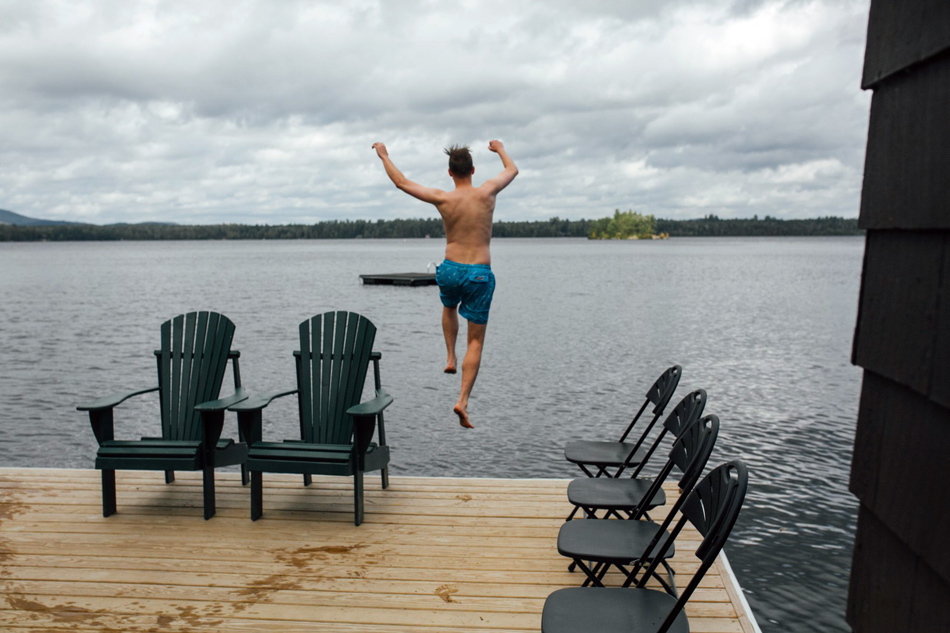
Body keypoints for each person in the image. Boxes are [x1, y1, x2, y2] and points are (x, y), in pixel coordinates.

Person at [372, 140, 518, 429]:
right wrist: (500, 149)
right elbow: (512, 169)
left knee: (448, 306)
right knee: (475, 341)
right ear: (473, 170)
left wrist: (384, 155)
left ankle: (450, 356)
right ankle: (462, 400)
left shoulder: (443, 198)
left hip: (450, 269)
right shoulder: (488, 191)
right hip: (479, 272)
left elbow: (401, 182)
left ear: (450, 173)